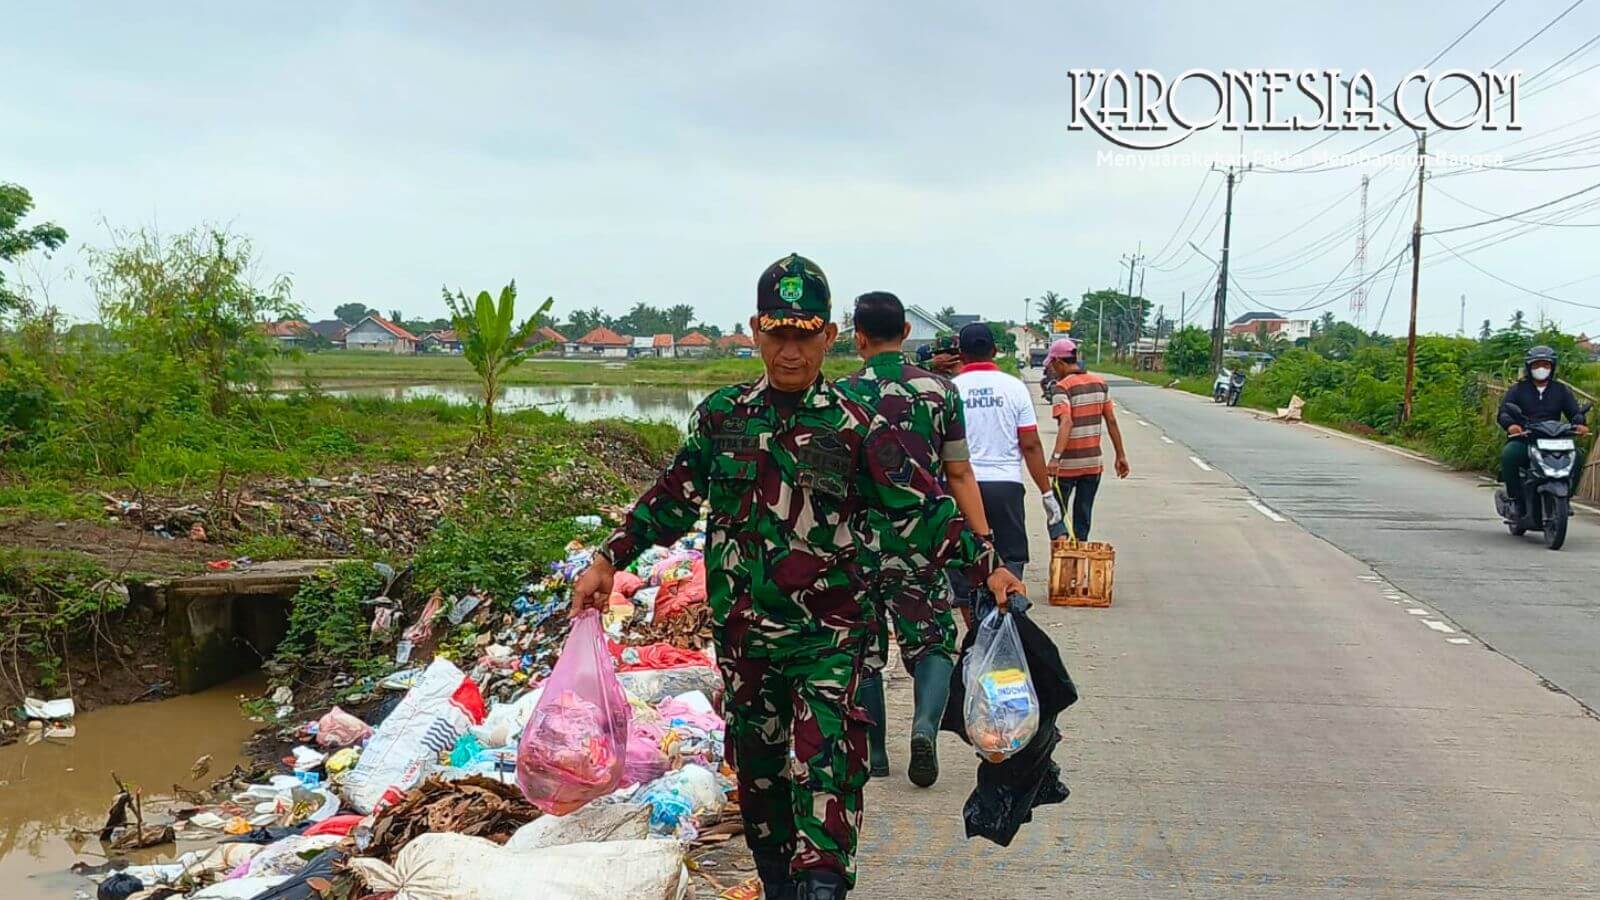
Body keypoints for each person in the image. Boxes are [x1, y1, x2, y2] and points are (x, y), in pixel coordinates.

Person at [569, 254, 1023, 900]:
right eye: (777, 333)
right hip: (746, 648)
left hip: (830, 648)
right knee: (762, 801)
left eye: (804, 334)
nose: (789, 350)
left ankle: (820, 886)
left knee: (828, 792)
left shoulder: (860, 428)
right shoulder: (723, 419)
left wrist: (990, 569)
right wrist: (608, 558)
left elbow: (921, 512)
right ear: (755, 331)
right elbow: (672, 497)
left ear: (829, 337)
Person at [839, 291, 989, 787]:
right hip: (922, 539)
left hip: (856, 541)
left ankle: (875, 752)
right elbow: (960, 473)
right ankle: (924, 727)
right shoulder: (940, 391)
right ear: (905, 333)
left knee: (863, 649)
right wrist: (982, 541)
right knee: (932, 644)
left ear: (857, 336)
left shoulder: (838, 396)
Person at [952, 322, 1062, 612]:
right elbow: (1030, 445)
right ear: (996, 351)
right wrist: (1046, 493)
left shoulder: (949, 390)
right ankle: (1005, 623)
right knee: (1010, 559)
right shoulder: (1014, 389)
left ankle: (976, 634)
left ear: (960, 354)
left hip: (961, 487)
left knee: (965, 564)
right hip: (1006, 487)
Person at [1044, 338, 1130, 541]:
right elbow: (1111, 420)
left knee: (1056, 514)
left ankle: (1062, 555)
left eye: (1052, 365)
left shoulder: (1062, 387)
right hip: (1093, 465)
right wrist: (1120, 455)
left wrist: (1055, 458)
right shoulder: (1099, 383)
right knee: (1083, 516)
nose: (1052, 370)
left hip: (1067, 466)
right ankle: (1079, 562)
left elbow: (1066, 423)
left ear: (1059, 361)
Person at [1498, 344, 1589, 517]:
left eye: (1546, 365)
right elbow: (1504, 413)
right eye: (1537, 365)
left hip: (1555, 438)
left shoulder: (1561, 390)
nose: (1541, 369)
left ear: (1552, 367)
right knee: (1509, 454)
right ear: (1529, 367)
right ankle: (1516, 500)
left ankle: (1567, 498)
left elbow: (1574, 413)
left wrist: (1579, 423)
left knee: (1577, 455)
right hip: (1526, 437)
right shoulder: (1517, 390)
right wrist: (1511, 425)